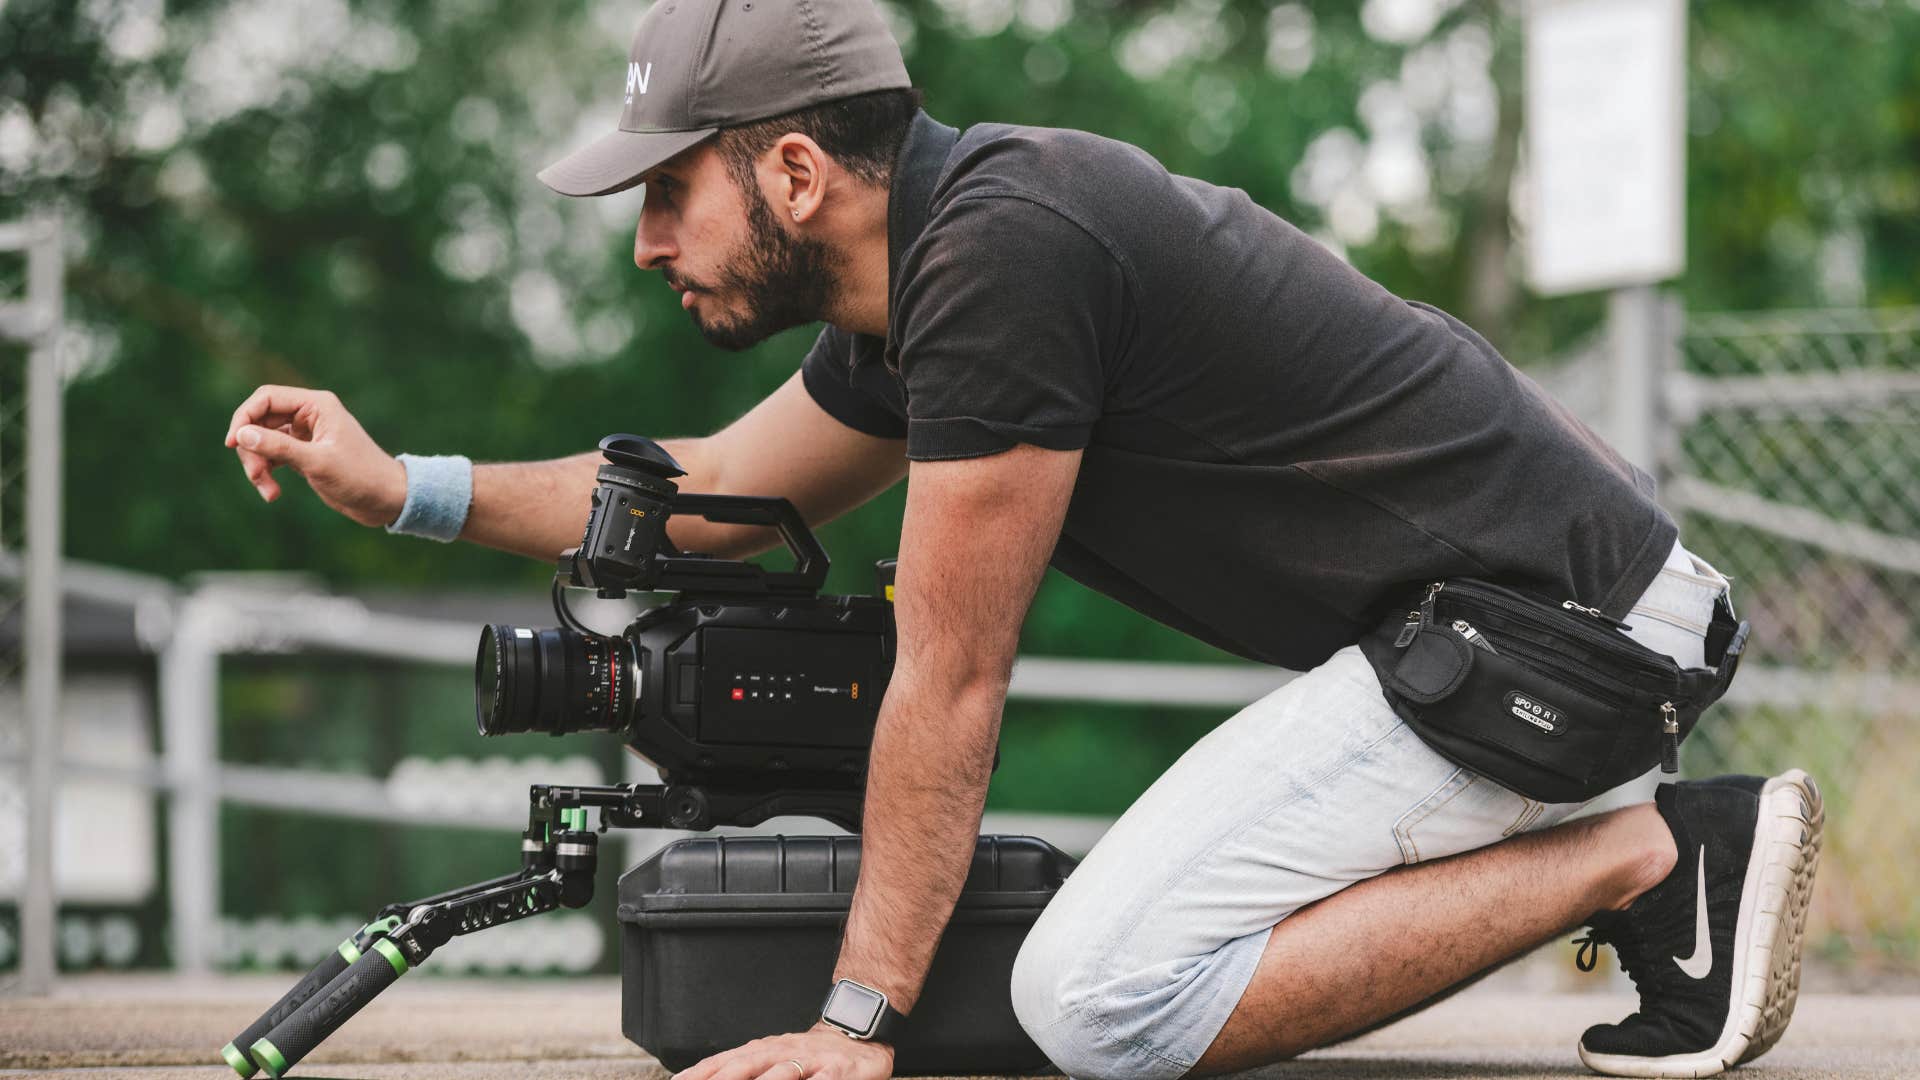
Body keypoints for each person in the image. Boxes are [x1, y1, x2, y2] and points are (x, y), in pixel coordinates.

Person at [223, 2, 1822, 1078]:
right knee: (1106, 975)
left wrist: (857, 1025)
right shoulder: (935, 276)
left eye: (667, 197)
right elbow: (711, 495)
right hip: (1500, 644)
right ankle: (1649, 854)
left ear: (792, 167)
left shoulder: (1003, 257)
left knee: (1097, 1006)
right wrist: (403, 487)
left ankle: (1657, 850)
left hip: (1558, 644)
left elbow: (955, 671)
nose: (645, 243)